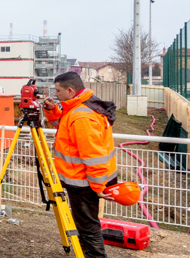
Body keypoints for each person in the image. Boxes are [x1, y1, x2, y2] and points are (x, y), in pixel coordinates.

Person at [42, 71, 117, 258]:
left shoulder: (82, 117)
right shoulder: (80, 106)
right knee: (85, 225)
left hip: (84, 183)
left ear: (70, 90)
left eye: (58, 91)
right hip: (83, 180)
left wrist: (99, 186)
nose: (55, 94)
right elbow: (66, 124)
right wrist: (53, 111)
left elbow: (94, 156)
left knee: (88, 228)